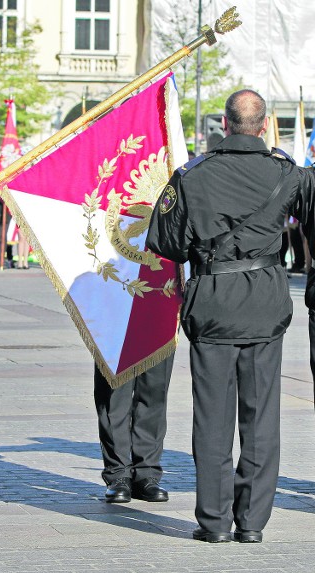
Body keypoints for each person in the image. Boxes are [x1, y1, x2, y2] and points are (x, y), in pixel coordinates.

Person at [146, 89, 315, 544]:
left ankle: (215, 524)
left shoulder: (191, 175)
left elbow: (164, 242)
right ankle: (253, 523)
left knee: (212, 419)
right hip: (263, 303)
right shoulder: (288, 173)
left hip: (213, 302)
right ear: (263, 126)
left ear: (224, 122)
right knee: (260, 419)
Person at [94, 356, 174, 505]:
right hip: (116, 332)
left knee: (154, 391)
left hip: (157, 332)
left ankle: (147, 472)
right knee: (114, 393)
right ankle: (118, 473)